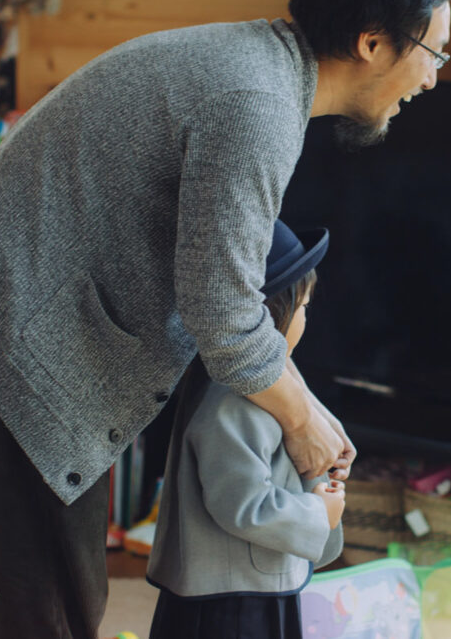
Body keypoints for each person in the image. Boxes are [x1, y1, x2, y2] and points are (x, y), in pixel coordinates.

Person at [0, 0, 451, 639]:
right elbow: (225, 315)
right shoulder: (256, 104)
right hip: (13, 320)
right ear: (373, 43)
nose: (434, 78)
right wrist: (305, 421)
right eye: (433, 52)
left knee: (59, 592)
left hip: (26, 308)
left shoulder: (262, 74)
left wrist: (303, 411)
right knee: (50, 603)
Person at [147, 219, 344, 639]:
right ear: (272, 313)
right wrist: (317, 515)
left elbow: (310, 425)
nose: (307, 319)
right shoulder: (236, 398)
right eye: (304, 307)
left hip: (254, 580)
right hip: (230, 595)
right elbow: (240, 501)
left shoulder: (273, 376)